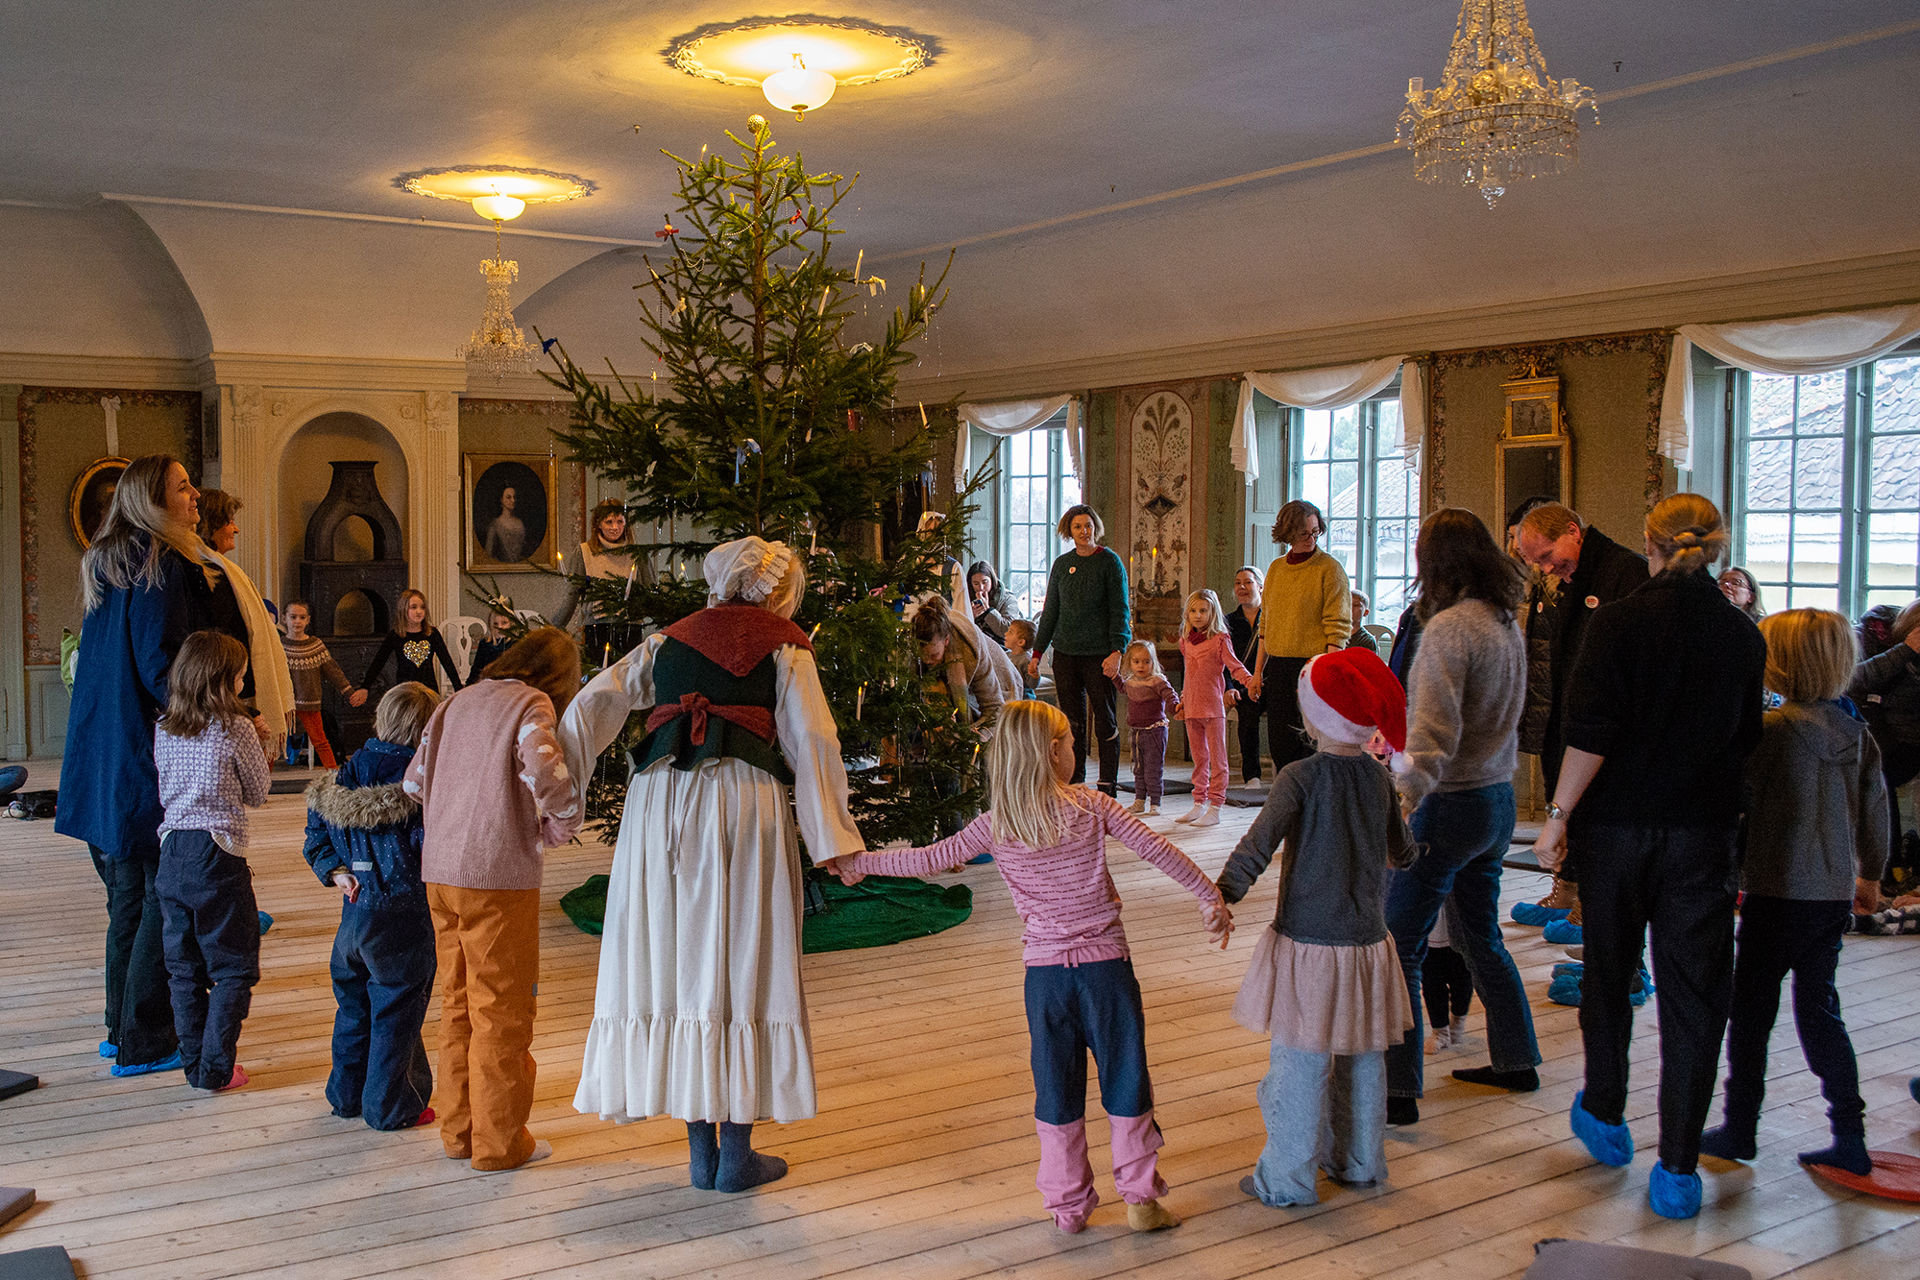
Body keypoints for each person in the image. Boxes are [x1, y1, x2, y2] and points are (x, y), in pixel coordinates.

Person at [829, 700, 1229, 1233]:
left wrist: (861, 865)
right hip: (1106, 971)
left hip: (1044, 980)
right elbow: (1160, 851)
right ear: (1053, 753)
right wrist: (1209, 896)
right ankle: (1140, 1201)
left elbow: (927, 857)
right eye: (1067, 743)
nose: (1072, 751)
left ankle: (1067, 1208)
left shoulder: (996, 825)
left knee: (1056, 1087)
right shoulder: (1092, 806)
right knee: (1126, 1077)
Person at [559, 537, 863, 1192]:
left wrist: (559, 797)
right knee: (739, 959)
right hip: (737, 801)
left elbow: (594, 704)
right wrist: (832, 837)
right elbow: (812, 736)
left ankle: (703, 1153)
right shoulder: (783, 642)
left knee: (677, 960)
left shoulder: (669, 639)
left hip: (658, 803)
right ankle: (736, 1157)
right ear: (775, 591)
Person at [1533, 494, 1766, 1221]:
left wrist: (1558, 816)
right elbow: (1745, 746)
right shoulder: (1742, 636)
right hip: (1701, 834)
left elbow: (1591, 731)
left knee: (1609, 972)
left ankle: (1605, 1111)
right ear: (1718, 549)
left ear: (1651, 543)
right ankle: (1678, 1167)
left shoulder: (1620, 620)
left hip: (1617, 832)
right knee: (1696, 999)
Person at [59, 454, 255, 1078]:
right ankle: (146, 1039)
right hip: (145, 755)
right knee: (148, 896)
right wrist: (211, 720)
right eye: (182, 487)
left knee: (127, 898)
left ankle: (120, 1029)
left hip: (101, 752)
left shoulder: (110, 561)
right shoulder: (160, 563)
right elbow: (160, 663)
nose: (195, 495)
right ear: (151, 500)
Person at [1216, 647, 1415, 1207]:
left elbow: (1259, 843)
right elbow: (1403, 853)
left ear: (1313, 715)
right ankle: (1357, 1163)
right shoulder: (1379, 782)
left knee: (1300, 1061)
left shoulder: (1299, 776)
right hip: (1368, 941)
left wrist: (1224, 892)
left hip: (1308, 941)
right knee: (1362, 1055)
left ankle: (1286, 1179)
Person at [1699, 609, 1888, 1178]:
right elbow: (1876, 816)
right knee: (1821, 1011)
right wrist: (1870, 877)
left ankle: (1739, 1127)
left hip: (1773, 895)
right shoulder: (1857, 734)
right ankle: (1849, 1133)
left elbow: (1736, 812)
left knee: (1751, 1016)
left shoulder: (1767, 734)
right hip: (1829, 898)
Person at [405, 627, 582, 1171]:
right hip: (496, 874)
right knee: (501, 1009)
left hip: (439, 872)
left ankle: (459, 1132)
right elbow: (544, 765)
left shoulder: (456, 701)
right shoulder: (531, 703)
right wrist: (564, 818)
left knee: (456, 1002)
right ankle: (501, 1144)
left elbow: (413, 783)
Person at [1385, 509, 1540, 1123]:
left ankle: (1397, 1092)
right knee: (1481, 936)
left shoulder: (1450, 630)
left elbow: (1429, 736)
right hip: (1497, 800)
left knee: (1400, 944)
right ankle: (1516, 1058)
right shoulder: (1505, 622)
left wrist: (1402, 800)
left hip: (1449, 804)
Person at [302, 681, 441, 1132]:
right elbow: (429, 848)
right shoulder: (420, 786)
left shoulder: (341, 775)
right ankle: (391, 1106)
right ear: (426, 732)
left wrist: (336, 870)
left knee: (354, 1009)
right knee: (396, 1015)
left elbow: (317, 836)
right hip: (403, 917)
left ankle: (345, 1096)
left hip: (353, 920)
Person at [1512, 503, 1648, 930]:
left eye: (1548, 557)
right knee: (1565, 803)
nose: (1547, 569)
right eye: (1537, 563)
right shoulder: (1571, 575)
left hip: (1605, 727)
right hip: (1567, 713)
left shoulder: (1625, 572)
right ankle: (1565, 890)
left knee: (1591, 821)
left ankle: (1590, 911)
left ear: (1573, 531)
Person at [153, 630, 271, 1092]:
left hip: (172, 851)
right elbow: (258, 794)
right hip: (217, 850)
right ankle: (217, 1069)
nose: (244, 681)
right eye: (240, 674)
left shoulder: (164, 724)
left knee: (183, 970)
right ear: (224, 679)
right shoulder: (235, 726)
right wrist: (260, 741)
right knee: (233, 968)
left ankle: (194, 1067)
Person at [1028, 504, 1131, 795]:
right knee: (1071, 723)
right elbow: (1051, 611)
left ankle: (1107, 786)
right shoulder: (1062, 564)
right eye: (1077, 527)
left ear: (1095, 527)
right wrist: (1037, 653)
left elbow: (1120, 610)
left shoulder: (1110, 562)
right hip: (1065, 653)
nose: (1083, 531)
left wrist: (1117, 651)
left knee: (1105, 718)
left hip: (1100, 655)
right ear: (1068, 531)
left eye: (1088, 526)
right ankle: (1075, 783)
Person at [1247, 500, 1351, 775]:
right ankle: (1288, 799)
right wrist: (1257, 672)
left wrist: (1328, 675)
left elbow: (1337, 626)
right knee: (1281, 742)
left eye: (1316, 532)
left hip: (1314, 666)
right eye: (1304, 533)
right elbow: (1265, 625)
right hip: (1278, 666)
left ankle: (1312, 802)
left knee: (1310, 742)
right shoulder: (1277, 569)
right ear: (1288, 533)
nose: (1311, 539)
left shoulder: (1330, 569)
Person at [1846, 599, 1920, 884]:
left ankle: (1895, 865)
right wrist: (1905, 651)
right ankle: (1886, 868)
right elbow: (1853, 679)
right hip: (1868, 736)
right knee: (1880, 777)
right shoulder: (1867, 637)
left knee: (1882, 774)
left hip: (1904, 741)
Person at [1178, 589, 1254, 826]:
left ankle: (1216, 805)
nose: (1198, 615)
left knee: (1218, 759)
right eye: (1193, 611)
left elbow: (1235, 666)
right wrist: (1183, 698)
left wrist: (1251, 681)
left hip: (1212, 707)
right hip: (1191, 706)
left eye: (1203, 610)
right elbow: (1189, 675)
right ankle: (1198, 802)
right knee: (1199, 758)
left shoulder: (1220, 639)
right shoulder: (1185, 641)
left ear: (1213, 613)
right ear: (1187, 614)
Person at [557, 500, 651, 658]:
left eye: (620, 521)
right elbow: (571, 595)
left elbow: (650, 592)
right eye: (609, 522)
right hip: (597, 629)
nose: (615, 528)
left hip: (630, 628)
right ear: (598, 524)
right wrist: (553, 628)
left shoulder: (637, 553)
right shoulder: (584, 552)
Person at [282, 600, 369, 769]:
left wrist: (349, 692)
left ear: (308, 620)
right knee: (273, 741)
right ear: (285, 619)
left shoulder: (315, 645)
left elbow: (333, 671)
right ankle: (263, 780)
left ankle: (333, 776)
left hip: (310, 702)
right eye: (293, 617)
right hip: (285, 704)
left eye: (302, 617)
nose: (297, 621)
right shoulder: (280, 646)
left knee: (320, 741)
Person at [911, 594, 1018, 732]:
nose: (927, 661)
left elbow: (994, 709)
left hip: (1003, 682)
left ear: (946, 641)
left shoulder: (970, 650)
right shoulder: (910, 646)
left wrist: (975, 737)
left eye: (934, 655)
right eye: (922, 655)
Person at [1115, 640, 1179, 817]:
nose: (1141, 666)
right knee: (1138, 767)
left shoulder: (1157, 681)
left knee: (1153, 768)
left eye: (1146, 661)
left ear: (1153, 663)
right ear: (1130, 663)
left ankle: (1155, 802)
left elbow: (1170, 695)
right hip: (1136, 731)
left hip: (1155, 731)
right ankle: (1139, 800)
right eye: (1136, 662)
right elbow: (1122, 688)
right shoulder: (1130, 682)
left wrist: (1175, 707)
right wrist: (1113, 675)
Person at [363, 589, 464, 695]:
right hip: (405, 689)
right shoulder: (395, 635)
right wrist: (365, 687)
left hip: (429, 689)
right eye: (413, 607)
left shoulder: (432, 634)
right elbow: (378, 662)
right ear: (403, 609)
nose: (419, 611)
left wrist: (458, 687)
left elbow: (446, 661)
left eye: (422, 607)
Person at [1225, 566, 1265, 784]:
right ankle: (1252, 776)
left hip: (1268, 683)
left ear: (1260, 586)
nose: (1242, 587)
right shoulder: (1227, 622)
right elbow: (1223, 662)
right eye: (1238, 583)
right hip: (1242, 686)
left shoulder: (1271, 619)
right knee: (1248, 714)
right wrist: (1228, 687)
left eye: (1248, 582)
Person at [1421, 910, 1473, 1052]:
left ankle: (1458, 1020)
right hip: (1428, 929)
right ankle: (1440, 1030)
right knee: (1431, 981)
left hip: (1461, 927)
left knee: (1462, 979)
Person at [966, 559, 1020, 645]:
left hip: (1003, 647)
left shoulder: (1008, 598)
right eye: (976, 584)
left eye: (985, 582)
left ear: (992, 580)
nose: (981, 588)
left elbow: (1008, 630)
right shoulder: (966, 597)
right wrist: (970, 617)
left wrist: (988, 611)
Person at [483, 486, 528, 563]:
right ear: (501, 500)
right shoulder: (495, 524)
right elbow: (489, 554)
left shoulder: (520, 523)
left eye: (514, 497)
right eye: (508, 497)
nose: (513, 500)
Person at [473, 604, 517, 673]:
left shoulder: (516, 644)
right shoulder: (485, 644)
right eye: (495, 624)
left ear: (511, 624)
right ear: (490, 626)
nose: (500, 627)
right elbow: (476, 670)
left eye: (504, 623)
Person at [1004, 619, 1039, 697]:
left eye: (1010, 632)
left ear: (1021, 642)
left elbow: (1032, 685)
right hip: (1009, 696)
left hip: (1023, 699)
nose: (1005, 634)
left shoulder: (1027, 660)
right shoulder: (1006, 655)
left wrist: (1034, 676)